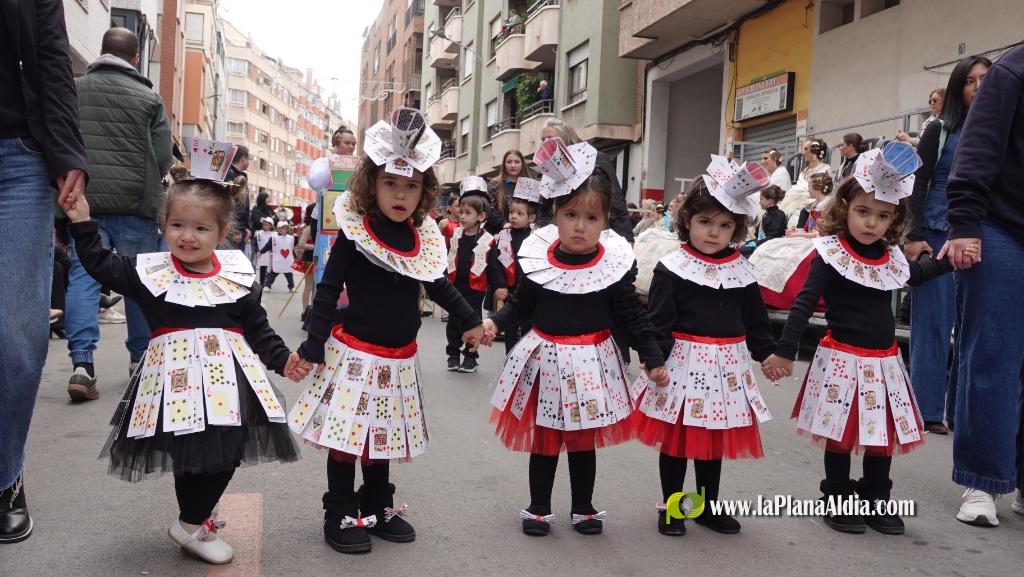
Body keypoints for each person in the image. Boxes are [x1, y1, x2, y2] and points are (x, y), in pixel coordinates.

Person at [62, 175, 305, 564]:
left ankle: (193, 521)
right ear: (164, 225)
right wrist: (82, 222)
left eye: (201, 228)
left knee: (227, 452)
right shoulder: (149, 272)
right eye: (177, 225)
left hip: (229, 384)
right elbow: (100, 265)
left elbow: (257, 329)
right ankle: (192, 524)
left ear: (222, 232)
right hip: (174, 383)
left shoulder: (237, 277)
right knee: (189, 452)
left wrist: (283, 359)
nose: (187, 236)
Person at [289, 108, 485, 555]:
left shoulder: (423, 238)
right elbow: (328, 288)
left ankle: (377, 506)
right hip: (354, 352)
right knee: (345, 438)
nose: (401, 194)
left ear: (424, 192)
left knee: (381, 437)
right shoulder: (355, 232)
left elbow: (439, 285)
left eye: (411, 185)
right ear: (371, 186)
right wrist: (314, 342)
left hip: (399, 356)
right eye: (391, 183)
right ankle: (339, 510)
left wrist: (470, 322)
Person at [762, 143, 960, 536]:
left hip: (884, 362)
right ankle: (836, 495)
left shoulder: (891, 257)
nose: (872, 223)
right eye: (863, 211)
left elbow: (915, 277)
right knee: (840, 433)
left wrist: (947, 259)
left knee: (879, 436)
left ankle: (875, 498)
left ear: (894, 219)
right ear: (845, 209)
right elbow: (803, 304)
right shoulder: (830, 253)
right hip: (840, 360)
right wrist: (784, 351)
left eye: (883, 216)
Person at [477, 162, 668, 538]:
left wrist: (652, 356)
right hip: (545, 361)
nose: (580, 226)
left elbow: (631, 316)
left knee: (583, 441)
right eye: (571, 215)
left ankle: (583, 506)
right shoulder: (538, 262)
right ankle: (539, 507)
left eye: (591, 217)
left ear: (605, 221)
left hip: (592, 363)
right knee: (545, 439)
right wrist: (493, 323)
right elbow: (520, 306)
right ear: (555, 216)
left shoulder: (612, 267)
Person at [632, 169, 776, 537]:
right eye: (705, 221)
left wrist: (768, 355)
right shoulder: (673, 267)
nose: (714, 232)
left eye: (725, 225)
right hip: (682, 365)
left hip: (727, 368)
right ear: (687, 221)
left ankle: (706, 507)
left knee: (712, 441)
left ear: (737, 230)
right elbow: (658, 319)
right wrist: (655, 360)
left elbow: (756, 321)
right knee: (679, 442)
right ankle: (673, 508)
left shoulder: (743, 270)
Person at [0, 0, 90, 542]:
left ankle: (5, 475)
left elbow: (54, 58)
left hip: (18, 159)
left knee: (16, 336)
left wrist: (67, 151)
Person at [64, 26, 173, 401]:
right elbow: (162, 156)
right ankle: (139, 362)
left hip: (85, 198)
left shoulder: (76, 89)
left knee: (83, 276)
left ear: (101, 51)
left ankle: (82, 365)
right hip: (135, 204)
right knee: (138, 280)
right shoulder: (148, 97)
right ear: (136, 58)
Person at [943, 45, 1024, 527]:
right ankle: (981, 480)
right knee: (991, 354)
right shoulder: (1014, 69)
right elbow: (978, 146)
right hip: (999, 227)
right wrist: (964, 223)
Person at [906, 55, 991, 437]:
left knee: (974, 326)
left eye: (986, 79)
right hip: (937, 234)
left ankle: (962, 410)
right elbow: (917, 182)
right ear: (958, 89)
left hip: (984, 238)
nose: (980, 87)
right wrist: (914, 235)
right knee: (934, 326)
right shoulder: (939, 129)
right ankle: (925, 409)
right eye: (971, 81)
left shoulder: (1002, 130)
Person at [536, 117, 634, 241]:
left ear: (566, 137)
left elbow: (616, 200)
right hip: (561, 236)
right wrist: (539, 235)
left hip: (592, 234)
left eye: (550, 138)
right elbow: (544, 207)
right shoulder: (549, 168)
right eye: (543, 139)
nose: (546, 143)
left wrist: (626, 238)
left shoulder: (595, 158)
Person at [446, 182, 504, 373]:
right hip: (455, 286)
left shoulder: (488, 240)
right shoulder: (455, 235)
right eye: (461, 211)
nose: (462, 216)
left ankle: (470, 357)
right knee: (454, 322)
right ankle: (453, 354)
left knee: (472, 322)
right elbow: (447, 256)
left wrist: (499, 286)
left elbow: (494, 267)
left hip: (475, 290)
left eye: (467, 212)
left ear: (481, 216)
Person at [491, 184, 539, 353]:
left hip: (531, 290)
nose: (514, 216)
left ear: (531, 217)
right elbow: (495, 264)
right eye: (512, 212)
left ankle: (527, 357)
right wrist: (500, 284)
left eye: (520, 213)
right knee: (510, 325)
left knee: (529, 325)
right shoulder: (503, 237)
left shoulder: (537, 237)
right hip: (510, 289)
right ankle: (510, 356)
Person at [778, 138, 829, 224]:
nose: (802, 153)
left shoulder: (825, 169)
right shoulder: (804, 171)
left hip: (810, 204)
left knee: (793, 221)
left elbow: (824, 194)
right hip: (793, 201)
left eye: (806, 149)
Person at [485, 149, 528, 234]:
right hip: (498, 233)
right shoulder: (495, 184)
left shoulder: (529, 184)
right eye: (509, 162)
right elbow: (489, 209)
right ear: (504, 164)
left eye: (516, 162)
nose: (513, 165)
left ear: (522, 164)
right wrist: (503, 223)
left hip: (523, 234)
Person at [260, 221, 295, 291]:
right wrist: (261, 252)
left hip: (287, 260)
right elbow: (267, 246)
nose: (284, 230)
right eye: (282, 228)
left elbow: (291, 248)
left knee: (289, 273)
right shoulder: (274, 238)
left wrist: (296, 257)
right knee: (273, 273)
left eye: (285, 228)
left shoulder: (291, 238)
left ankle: (291, 287)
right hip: (277, 260)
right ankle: (267, 285)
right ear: (278, 229)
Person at [254, 217, 275, 286]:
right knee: (262, 269)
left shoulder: (274, 234)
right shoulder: (258, 233)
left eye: (267, 224)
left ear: (271, 225)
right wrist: (257, 251)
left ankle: (267, 283)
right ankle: (262, 283)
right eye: (264, 224)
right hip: (261, 254)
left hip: (270, 254)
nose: (265, 226)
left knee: (269, 269)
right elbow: (255, 243)